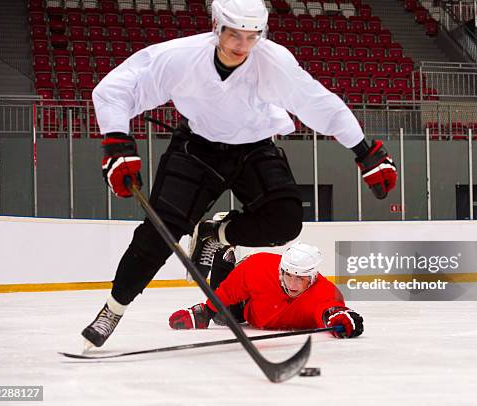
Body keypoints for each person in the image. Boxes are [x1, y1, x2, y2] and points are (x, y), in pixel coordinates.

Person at [82, 0, 395, 350]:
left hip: (253, 148)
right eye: (233, 34)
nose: (240, 46)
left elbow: (319, 104)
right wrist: (117, 143)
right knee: (159, 233)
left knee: (286, 220)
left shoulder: (272, 61)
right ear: (217, 26)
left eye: (251, 36)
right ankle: (113, 309)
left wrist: (364, 152)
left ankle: (216, 233)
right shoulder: (182, 57)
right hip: (197, 149)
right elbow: (116, 89)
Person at [169, 242, 364, 338]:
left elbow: (330, 309)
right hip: (249, 301)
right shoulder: (259, 267)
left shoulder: (325, 292)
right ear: (281, 270)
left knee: (231, 318)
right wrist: (205, 312)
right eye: (288, 275)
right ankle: (223, 253)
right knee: (223, 317)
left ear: (312, 277)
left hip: (258, 311)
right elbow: (228, 291)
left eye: (300, 278)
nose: (292, 285)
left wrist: (340, 317)